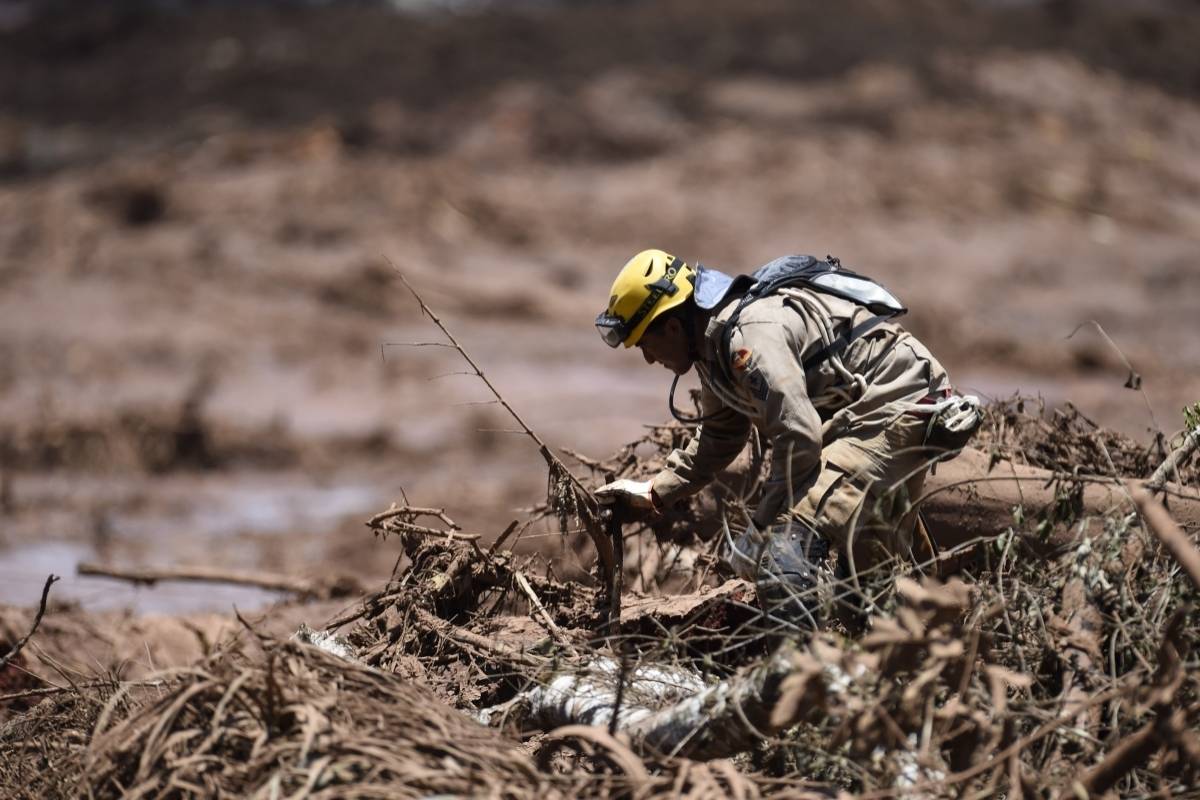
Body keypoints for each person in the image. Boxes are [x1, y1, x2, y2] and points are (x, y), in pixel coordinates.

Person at [593, 249, 979, 631]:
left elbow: (799, 437)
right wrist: (655, 492)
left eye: (644, 343)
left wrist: (761, 527)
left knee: (782, 552)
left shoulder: (747, 340)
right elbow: (720, 436)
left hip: (893, 405)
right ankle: (934, 663)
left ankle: (796, 685)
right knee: (863, 598)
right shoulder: (715, 351)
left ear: (673, 328)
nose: (647, 359)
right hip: (870, 414)